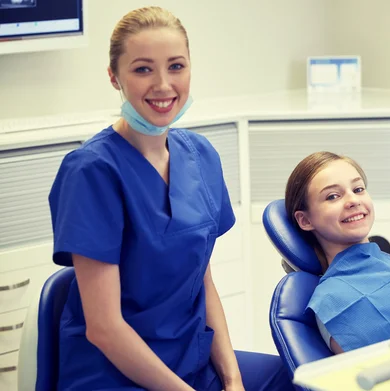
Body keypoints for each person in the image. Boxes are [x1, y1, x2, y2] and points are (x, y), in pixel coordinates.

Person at [48, 7, 294, 391]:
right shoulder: (92, 172)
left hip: (192, 360)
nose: (163, 85)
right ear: (114, 77)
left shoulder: (201, 155)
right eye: (143, 69)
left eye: (176, 66)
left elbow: (203, 282)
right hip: (115, 374)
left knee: (295, 378)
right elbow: (105, 329)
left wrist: (232, 380)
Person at [285, 151, 390, 354]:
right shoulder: (333, 303)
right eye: (333, 196)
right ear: (306, 220)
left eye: (358, 189)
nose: (353, 200)